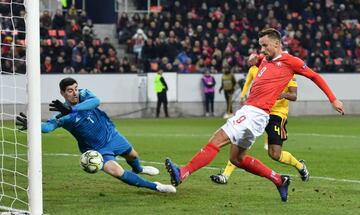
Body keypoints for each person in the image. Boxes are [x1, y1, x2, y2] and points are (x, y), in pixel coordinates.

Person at [164, 28, 344, 202]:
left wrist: (333, 99)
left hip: (255, 113)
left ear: (276, 43)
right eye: (260, 46)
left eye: (265, 45)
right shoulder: (265, 59)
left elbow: (315, 77)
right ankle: (279, 180)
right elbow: (257, 58)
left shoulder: (291, 61)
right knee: (237, 159)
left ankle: (182, 173)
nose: (262, 49)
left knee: (217, 139)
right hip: (254, 113)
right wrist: (255, 57)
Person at [17, 77, 176, 193]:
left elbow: (96, 101)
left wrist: (73, 109)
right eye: (70, 90)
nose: (75, 93)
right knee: (117, 172)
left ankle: (139, 169)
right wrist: (32, 125)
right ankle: (156, 186)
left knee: (133, 155)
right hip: (97, 150)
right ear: (62, 93)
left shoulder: (84, 95)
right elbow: (46, 127)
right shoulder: (62, 116)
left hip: (111, 136)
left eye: (75, 88)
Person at [210, 54, 310, 185]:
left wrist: (281, 94)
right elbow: (248, 84)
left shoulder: (287, 71)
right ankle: (225, 175)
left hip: (277, 115)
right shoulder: (258, 69)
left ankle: (299, 166)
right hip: (258, 112)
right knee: (240, 139)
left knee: (275, 154)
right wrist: (244, 96)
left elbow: (294, 95)